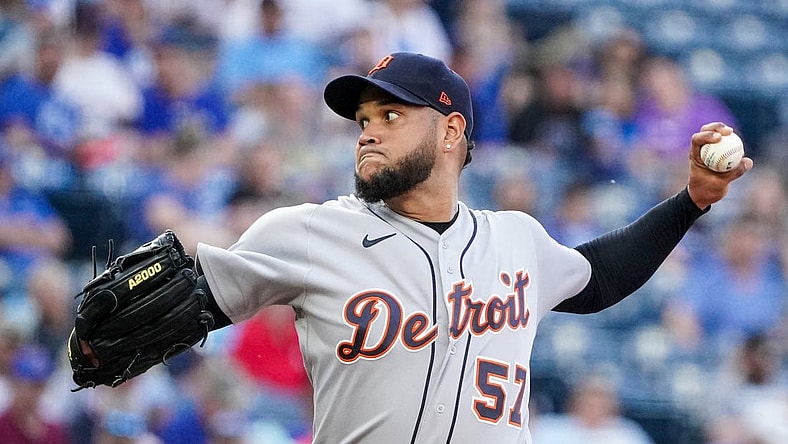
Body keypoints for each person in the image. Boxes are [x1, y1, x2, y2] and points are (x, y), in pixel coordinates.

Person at [78, 52, 751, 443]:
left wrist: (690, 201)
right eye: (363, 120)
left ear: (452, 131)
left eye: (391, 117)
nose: (368, 132)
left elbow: (600, 277)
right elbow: (193, 304)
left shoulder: (514, 240)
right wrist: (101, 344)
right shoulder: (309, 232)